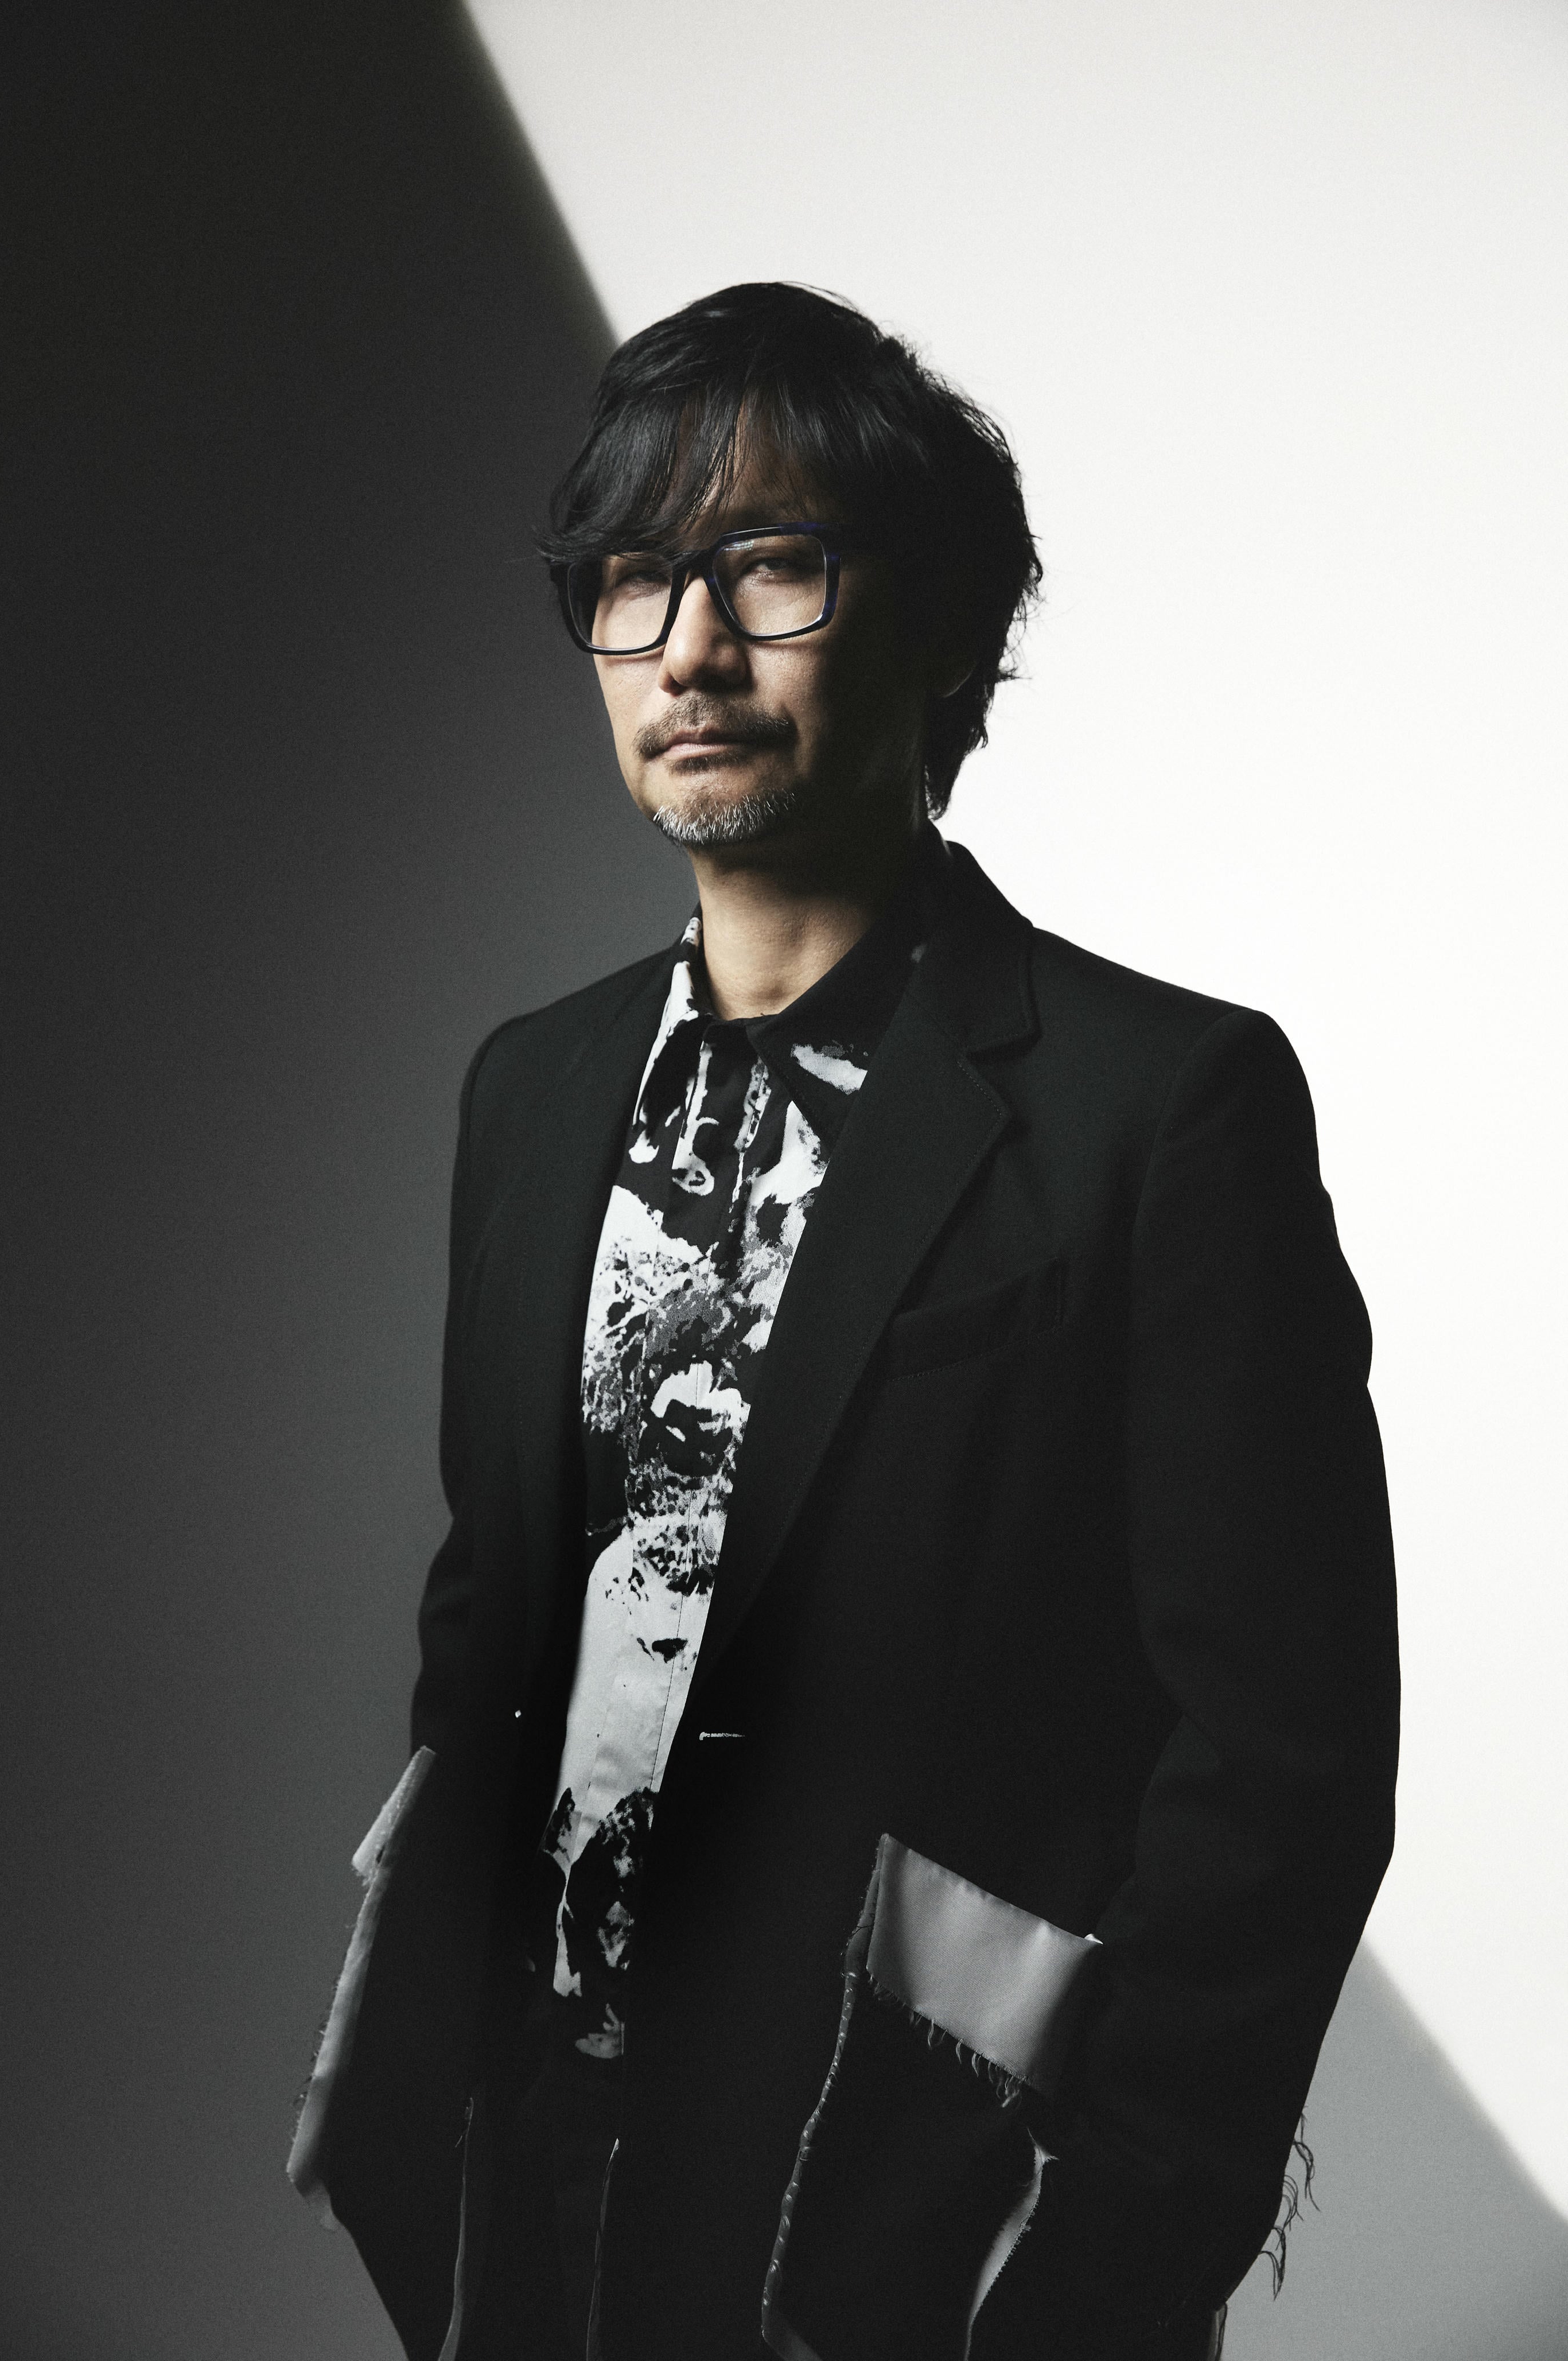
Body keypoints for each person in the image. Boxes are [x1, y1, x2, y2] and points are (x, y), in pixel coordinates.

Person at [289, 282, 1399, 2361]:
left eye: (771, 565)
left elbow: (1287, 1767)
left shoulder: (1163, 1107)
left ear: (947, 628)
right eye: (633, 579)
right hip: (528, 2183)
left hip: (903, 2220)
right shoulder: (530, 1088)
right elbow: (490, 1624)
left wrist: (1103, 2271)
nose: (689, 648)